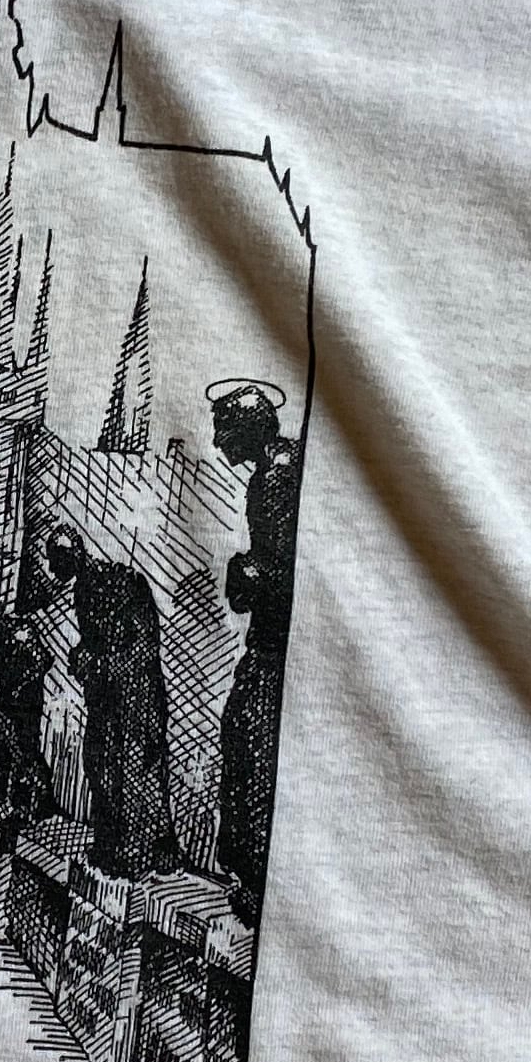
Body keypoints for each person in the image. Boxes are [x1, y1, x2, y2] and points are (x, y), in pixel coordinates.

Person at [39, 520, 182, 877]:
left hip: (137, 699)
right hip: (109, 699)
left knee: (131, 771)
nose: (53, 570)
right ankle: (118, 845)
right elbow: (98, 643)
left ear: (71, 554)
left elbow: (140, 649)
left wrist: (96, 663)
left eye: (56, 561)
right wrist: (83, 656)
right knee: (103, 765)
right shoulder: (85, 587)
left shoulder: (118, 583)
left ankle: (137, 853)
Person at [209, 379, 302, 918]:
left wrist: (247, 573)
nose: (218, 442)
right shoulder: (274, 470)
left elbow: (285, 565)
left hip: (273, 649)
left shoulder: (276, 476)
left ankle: (252, 880)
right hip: (268, 643)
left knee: (249, 749)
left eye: (224, 429)